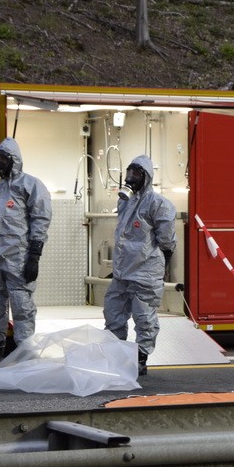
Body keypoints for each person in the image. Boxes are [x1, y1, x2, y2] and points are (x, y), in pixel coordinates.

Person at [0, 137, 52, 371]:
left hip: (17, 258)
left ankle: (24, 357)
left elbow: (40, 221)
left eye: (3, 159)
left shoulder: (30, 186)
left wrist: (34, 256)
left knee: (22, 307)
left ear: (14, 161)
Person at [103, 155, 177, 376]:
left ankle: (141, 357)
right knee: (113, 313)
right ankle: (116, 356)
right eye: (129, 173)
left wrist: (161, 264)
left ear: (146, 177)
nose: (131, 178)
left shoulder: (159, 204)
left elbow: (166, 240)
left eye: (136, 174)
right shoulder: (125, 200)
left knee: (144, 317)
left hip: (145, 271)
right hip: (123, 272)